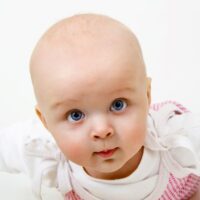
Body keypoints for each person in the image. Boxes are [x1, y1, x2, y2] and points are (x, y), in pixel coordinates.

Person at [0, 13, 200, 200]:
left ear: (146, 96)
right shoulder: (42, 149)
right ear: (45, 122)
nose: (102, 130)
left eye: (118, 105)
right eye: (75, 115)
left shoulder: (177, 134)